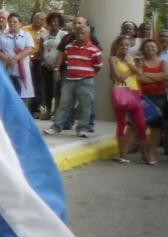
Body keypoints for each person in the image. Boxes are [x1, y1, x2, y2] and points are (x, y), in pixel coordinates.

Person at [45, 24, 102, 138]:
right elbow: (66, 61)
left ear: (88, 35)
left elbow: (98, 65)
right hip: (70, 81)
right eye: (78, 33)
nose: (79, 35)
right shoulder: (69, 47)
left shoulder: (94, 50)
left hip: (85, 81)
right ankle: (56, 127)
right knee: (64, 104)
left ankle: (82, 128)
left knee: (85, 105)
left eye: (83, 33)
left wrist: (87, 74)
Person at [108, 35, 148, 164]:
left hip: (135, 92)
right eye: (122, 45)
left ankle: (146, 156)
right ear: (117, 46)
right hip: (121, 92)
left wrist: (131, 64)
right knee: (121, 124)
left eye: (127, 45)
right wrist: (132, 68)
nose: (124, 47)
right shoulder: (113, 59)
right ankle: (122, 155)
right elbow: (118, 77)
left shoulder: (132, 59)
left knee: (141, 125)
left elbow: (141, 73)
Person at [136, 38, 166, 164]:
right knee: (141, 126)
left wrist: (146, 75)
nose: (150, 49)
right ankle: (145, 153)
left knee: (156, 128)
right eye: (147, 47)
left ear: (157, 48)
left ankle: (150, 153)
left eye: (153, 47)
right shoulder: (140, 62)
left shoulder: (163, 62)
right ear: (143, 49)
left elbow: (166, 76)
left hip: (160, 97)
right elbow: (140, 79)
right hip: (144, 98)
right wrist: (157, 77)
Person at [0, 13, 34, 107]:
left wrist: (16, 58)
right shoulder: (2, 36)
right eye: (10, 22)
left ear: (20, 23)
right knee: (9, 94)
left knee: (23, 95)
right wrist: (8, 59)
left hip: (22, 70)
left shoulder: (26, 35)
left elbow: (29, 49)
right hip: (8, 68)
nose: (12, 23)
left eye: (15, 22)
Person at [39, 12, 67, 119]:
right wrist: (45, 62)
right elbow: (41, 51)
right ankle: (47, 111)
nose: (54, 23)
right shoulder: (43, 35)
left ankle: (57, 112)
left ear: (60, 23)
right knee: (47, 89)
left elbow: (64, 51)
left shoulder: (63, 34)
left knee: (59, 89)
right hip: (45, 66)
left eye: (56, 22)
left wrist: (57, 66)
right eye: (52, 21)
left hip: (59, 67)